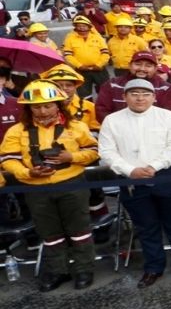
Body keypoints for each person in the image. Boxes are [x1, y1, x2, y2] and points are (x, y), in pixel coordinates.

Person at [0, 80, 101, 291]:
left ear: (58, 105)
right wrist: (27, 172)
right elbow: (7, 159)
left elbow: (94, 151)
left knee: (79, 229)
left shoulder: (76, 126)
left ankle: (84, 269)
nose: (43, 110)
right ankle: (58, 271)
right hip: (36, 188)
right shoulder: (17, 130)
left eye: (48, 105)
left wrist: (71, 156)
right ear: (28, 108)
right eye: (36, 106)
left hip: (71, 184)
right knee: (49, 233)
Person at [97, 78, 171, 288]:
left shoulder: (167, 116)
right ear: (124, 97)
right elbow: (106, 151)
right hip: (131, 179)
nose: (140, 98)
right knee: (146, 227)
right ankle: (153, 268)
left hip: (166, 175)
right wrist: (130, 170)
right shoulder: (112, 120)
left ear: (154, 97)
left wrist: (155, 166)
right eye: (134, 93)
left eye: (145, 94)